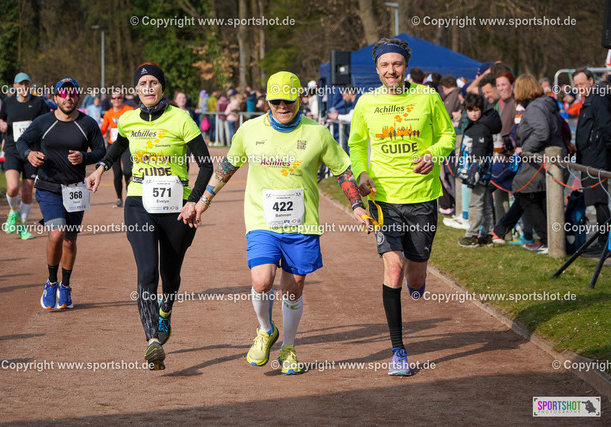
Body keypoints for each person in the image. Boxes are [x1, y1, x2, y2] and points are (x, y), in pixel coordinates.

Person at [192, 71, 371, 375]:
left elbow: (343, 170)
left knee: (292, 289)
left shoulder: (318, 133)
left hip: (302, 224)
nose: (282, 106)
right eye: (275, 101)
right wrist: (203, 201)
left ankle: (288, 348)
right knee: (261, 280)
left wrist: (356, 205)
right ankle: (265, 330)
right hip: (262, 220)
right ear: (267, 101)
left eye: (288, 100)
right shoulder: (249, 130)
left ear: (299, 98)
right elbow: (227, 166)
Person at [86, 63, 213, 370]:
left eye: (153, 82)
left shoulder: (181, 119)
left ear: (162, 87)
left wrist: (193, 202)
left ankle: (165, 311)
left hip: (177, 207)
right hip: (139, 204)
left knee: (170, 275)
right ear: (136, 89)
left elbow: (206, 165)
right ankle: (152, 340)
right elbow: (118, 146)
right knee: (147, 272)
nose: (147, 88)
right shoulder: (128, 119)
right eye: (142, 83)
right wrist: (101, 169)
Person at [348, 37, 456, 376]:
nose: (391, 70)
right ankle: (398, 351)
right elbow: (356, 144)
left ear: (406, 67)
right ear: (377, 68)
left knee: (415, 274)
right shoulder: (367, 102)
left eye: (396, 64)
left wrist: (433, 154)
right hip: (384, 199)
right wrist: (361, 172)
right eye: (384, 65)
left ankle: (417, 277)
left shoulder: (428, 97)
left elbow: (448, 136)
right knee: (393, 269)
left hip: (422, 198)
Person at [16, 77, 106, 309]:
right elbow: (22, 142)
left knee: (70, 240)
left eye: (72, 93)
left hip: (75, 190)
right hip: (49, 187)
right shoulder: (43, 122)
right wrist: (29, 154)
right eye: (63, 94)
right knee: (56, 234)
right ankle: (51, 282)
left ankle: (65, 286)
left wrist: (84, 157)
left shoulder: (87, 123)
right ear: (56, 97)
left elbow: (101, 151)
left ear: (78, 97)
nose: (68, 98)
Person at [511, 74, 565, 254]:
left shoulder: (535, 107)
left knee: (523, 191)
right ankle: (549, 240)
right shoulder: (545, 103)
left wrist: (525, 150)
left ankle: (547, 240)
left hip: (540, 158)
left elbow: (542, 132)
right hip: (547, 158)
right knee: (540, 197)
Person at [0, 72, 50, 239]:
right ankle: (13, 212)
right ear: (15, 86)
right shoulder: (8, 102)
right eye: (20, 84)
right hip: (12, 150)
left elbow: (47, 123)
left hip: (31, 153)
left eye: (26, 84)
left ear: (30, 85)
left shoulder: (39, 103)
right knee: (13, 187)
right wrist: (2, 124)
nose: (24, 87)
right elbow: (0, 118)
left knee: (27, 192)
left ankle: (23, 227)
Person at [457, 93, 502, 247]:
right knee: (486, 204)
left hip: (477, 174)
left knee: (475, 204)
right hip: (480, 173)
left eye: (476, 110)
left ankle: (472, 235)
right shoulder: (478, 126)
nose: (474, 113)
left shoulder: (480, 128)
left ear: (482, 109)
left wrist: (474, 174)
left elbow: (479, 154)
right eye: (470, 110)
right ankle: (487, 234)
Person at [574, 67, 611, 252]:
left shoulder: (597, 99)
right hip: (590, 157)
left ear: (591, 81)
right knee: (597, 201)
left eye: (582, 83)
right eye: (576, 85)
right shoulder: (590, 99)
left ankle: (604, 243)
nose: (579, 87)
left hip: (597, 157)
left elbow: (606, 126)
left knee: (599, 201)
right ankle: (603, 241)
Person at [100, 89, 135, 207]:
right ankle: (119, 198)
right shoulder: (108, 114)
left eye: (119, 97)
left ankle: (130, 196)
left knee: (128, 171)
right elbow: (103, 130)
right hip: (113, 145)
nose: (116, 100)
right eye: (114, 98)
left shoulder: (129, 111)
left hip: (126, 145)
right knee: (117, 173)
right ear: (111, 100)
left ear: (122, 98)